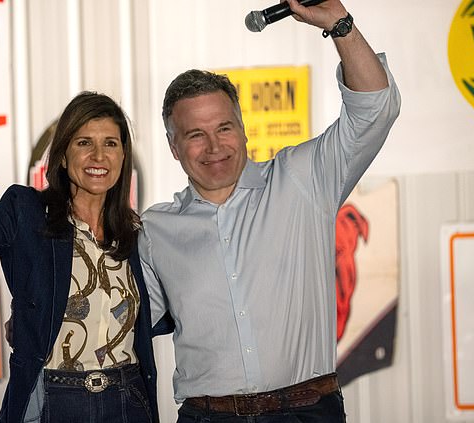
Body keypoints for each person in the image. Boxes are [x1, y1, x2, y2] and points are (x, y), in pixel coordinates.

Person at [138, 0, 401, 421]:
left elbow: (375, 109)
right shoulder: (154, 230)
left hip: (307, 412)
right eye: (195, 135)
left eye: (224, 127)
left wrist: (338, 22)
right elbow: (122, 323)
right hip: (208, 415)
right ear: (174, 147)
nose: (214, 147)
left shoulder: (301, 179)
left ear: (243, 129)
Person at [0, 72, 171, 423]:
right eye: (83, 142)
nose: (98, 155)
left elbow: (170, 309)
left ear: (123, 156)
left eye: (111, 143)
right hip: (54, 403)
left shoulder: (139, 234)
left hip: (129, 401)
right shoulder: (26, 214)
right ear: (62, 156)